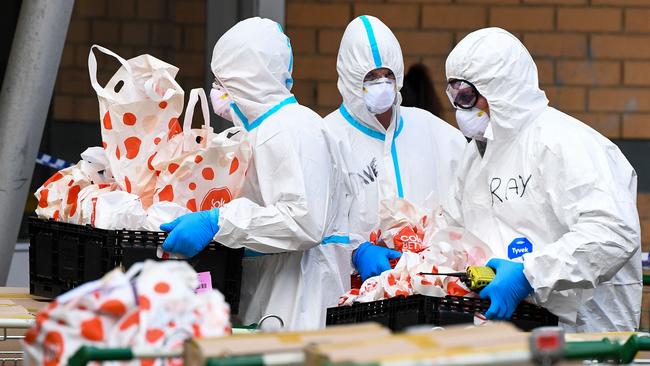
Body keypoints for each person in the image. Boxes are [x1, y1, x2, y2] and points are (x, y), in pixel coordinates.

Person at [444, 27, 641, 332]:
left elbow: (613, 233)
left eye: (468, 95)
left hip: (581, 340)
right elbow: (456, 233)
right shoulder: (476, 156)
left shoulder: (563, 142)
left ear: (500, 89)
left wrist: (530, 274)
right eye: (455, 95)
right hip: (504, 336)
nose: (462, 108)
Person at [160, 17, 351, 330]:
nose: (217, 92)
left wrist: (218, 221)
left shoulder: (293, 128)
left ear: (246, 80)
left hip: (300, 300)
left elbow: (302, 222)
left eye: (222, 83)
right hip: (268, 291)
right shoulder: (259, 132)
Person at [324, 15, 467, 281]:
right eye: (371, 77)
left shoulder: (434, 132)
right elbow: (313, 228)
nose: (382, 84)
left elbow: (469, 206)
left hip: (427, 286)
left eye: (388, 75)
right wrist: (355, 251)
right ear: (350, 78)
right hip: (351, 291)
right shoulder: (327, 137)